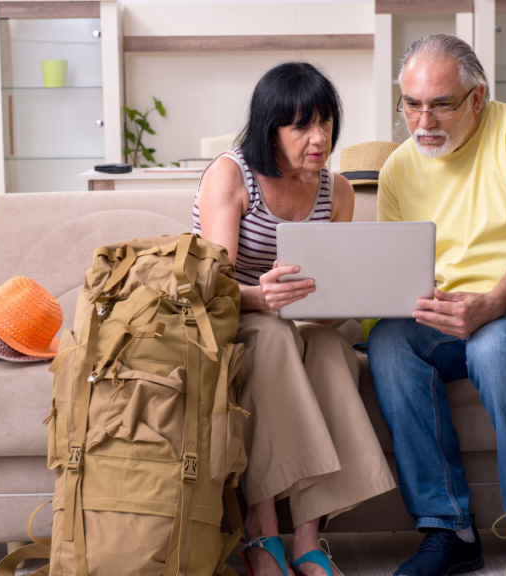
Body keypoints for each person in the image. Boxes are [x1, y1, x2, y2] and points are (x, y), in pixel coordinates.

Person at [367, 35, 506, 576]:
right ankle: (450, 531)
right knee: (391, 341)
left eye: (440, 103)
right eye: (411, 105)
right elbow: (401, 268)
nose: (424, 121)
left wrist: (490, 303)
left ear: (476, 97)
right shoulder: (399, 167)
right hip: (458, 311)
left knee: (492, 345)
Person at [194, 61, 396, 576]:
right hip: (238, 312)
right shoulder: (231, 174)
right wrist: (262, 299)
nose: (318, 138)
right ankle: (263, 533)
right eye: (301, 125)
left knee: (331, 349)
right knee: (275, 337)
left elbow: (332, 286)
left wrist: (352, 296)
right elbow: (211, 286)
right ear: (270, 128)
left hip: (303, 320)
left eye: (325, 123)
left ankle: (308, 540)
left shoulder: (338, 191)